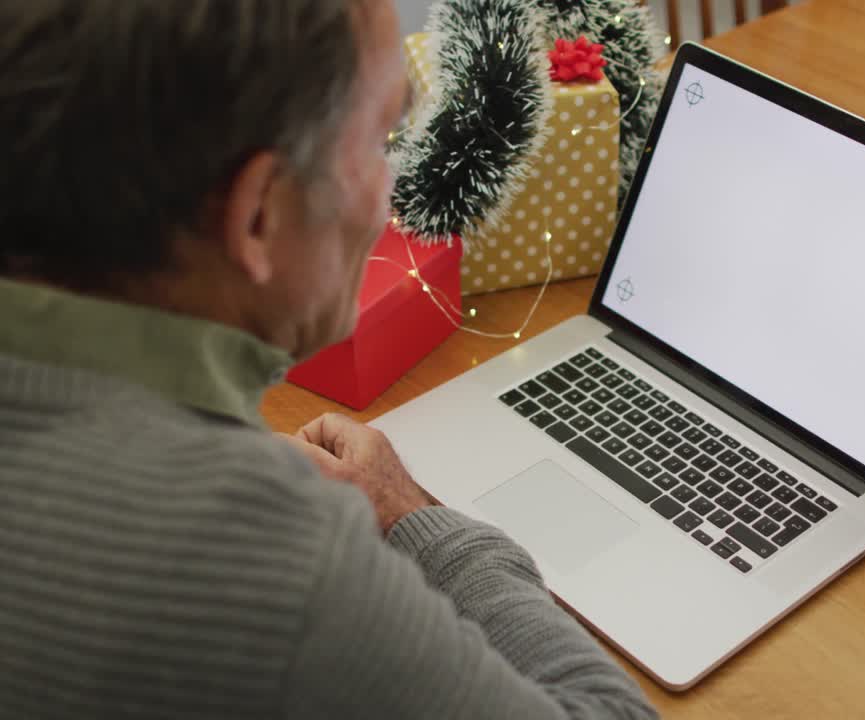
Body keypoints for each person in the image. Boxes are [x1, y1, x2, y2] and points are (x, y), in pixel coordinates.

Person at [0, 1, 658, 718]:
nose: (390, 202)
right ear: (259, 214)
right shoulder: (268, 564)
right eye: (382, 141)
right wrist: (414, 517)